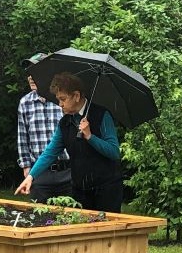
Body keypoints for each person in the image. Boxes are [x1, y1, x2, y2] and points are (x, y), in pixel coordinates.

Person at [15, 72, 123, 212]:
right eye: (58, 99)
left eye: (63, 99)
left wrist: (90, 137)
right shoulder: (65, 123)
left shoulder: (102, 115)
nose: (60, 104)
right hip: (80, 191)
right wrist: (31, 176)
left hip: (107, 190)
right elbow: (50, 152)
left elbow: (114, 152)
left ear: (76, 96)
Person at [16, 53, 71, 202]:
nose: (30, 77)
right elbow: (22, 138)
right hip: (39, 173)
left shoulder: (64, 100)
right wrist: (26, 168)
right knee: (39, 219)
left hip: (66, 171)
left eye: (35, 72)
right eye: (29, 73)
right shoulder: (25, 103)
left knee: (70, 219)